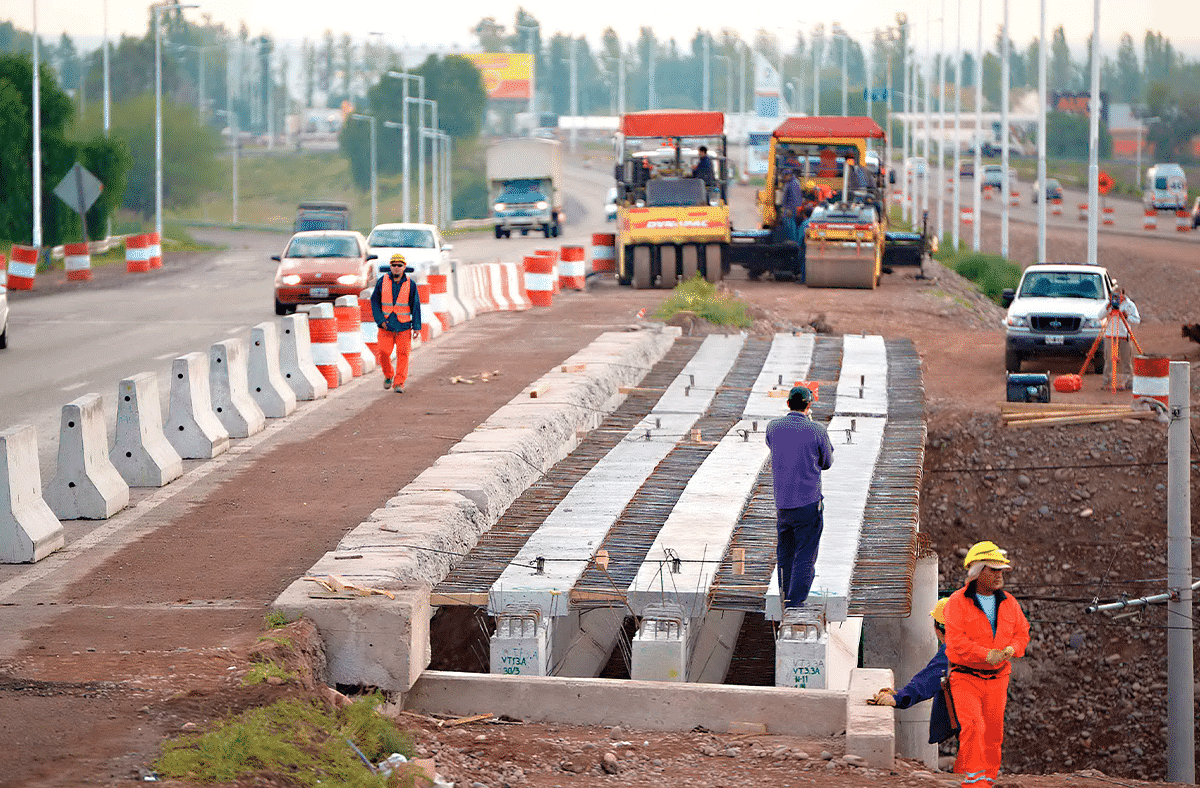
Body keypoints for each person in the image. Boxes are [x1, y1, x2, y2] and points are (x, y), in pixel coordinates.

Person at [942, 541, 1030, 788]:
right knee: (973, 728)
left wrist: (1014, 648)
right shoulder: (957, 602)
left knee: (993, 733)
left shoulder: (1009, 602)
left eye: (1000, 570)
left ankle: (985, 782)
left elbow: (1022, 632)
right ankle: (973, 784)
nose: (999, 575)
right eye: (993, 570)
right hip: (965, 677)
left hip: (998, 678)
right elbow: (956, 642)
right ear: (977, 571)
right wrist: (985, 654)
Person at [765, 385, 834, 610]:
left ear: (788, 404)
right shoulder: (817, 431)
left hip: (783, 504)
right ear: (809, 404)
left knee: (785, 553)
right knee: (805, 553)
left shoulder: (773, 427)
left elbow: (772, 444)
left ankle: (785, 596)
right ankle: (795, 603)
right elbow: (827, 462)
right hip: (808, 504)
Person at [870, 598, 957, 746]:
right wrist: (899, 693)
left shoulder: (953, 651)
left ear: (937, 627)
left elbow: (930, 679)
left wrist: (899, 698)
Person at [370, 253, 422, 394]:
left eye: (400, 265)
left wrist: (417, 326)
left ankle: (399, 383)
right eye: (394, 265)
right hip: (386, 326)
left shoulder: (411, 284)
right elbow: (374, 302)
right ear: (390, 267)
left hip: (404, 326)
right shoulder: (382, 281)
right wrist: (380, 320)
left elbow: (415, 305)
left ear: (404, 267)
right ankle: (388, 375)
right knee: (383, 352)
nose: (397, 268)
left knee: (403, 354)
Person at [1102, 286, 1140, 389]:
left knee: (1126, 360)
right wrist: (1108, 307)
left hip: (1124, 335)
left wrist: (1127, 316)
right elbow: (1099, 316)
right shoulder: (1108, 304)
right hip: (1110, 335)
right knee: (1109, 360)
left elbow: (1137, 320)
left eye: (1118, 295)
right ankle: (1107, 382)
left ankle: (1127, 382)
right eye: (1114, 295)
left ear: (1123, 295)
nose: (1116, 297)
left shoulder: (1130, 305)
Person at [780, 168, 804, 243]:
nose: (784, 178)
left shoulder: (793, 183)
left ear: (789, 175)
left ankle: (793, 241)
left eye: (785, 176)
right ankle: (791, 240)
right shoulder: (790, 182)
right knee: (788, 224)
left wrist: (790, 209)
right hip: (789, 207)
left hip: (790, 208)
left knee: (790, 224)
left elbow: (794, 197)